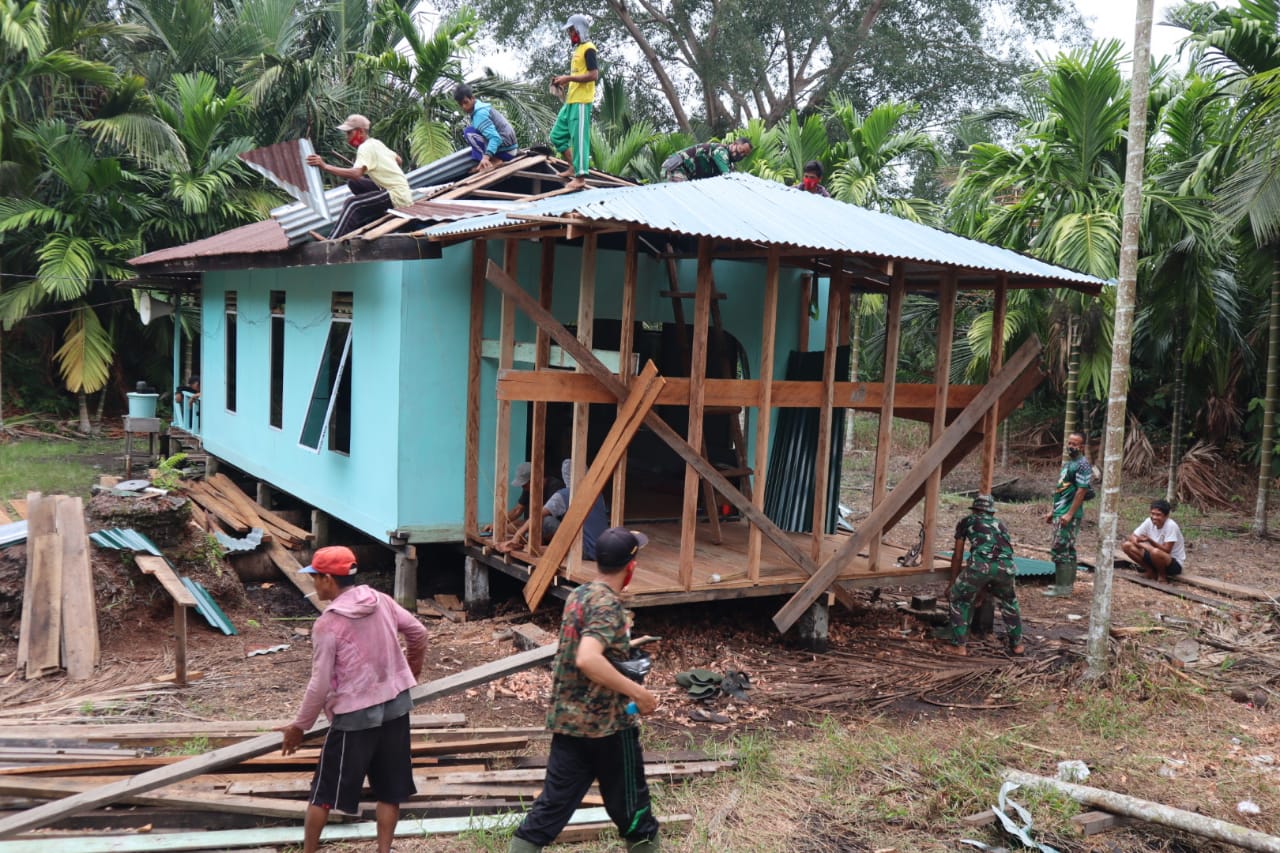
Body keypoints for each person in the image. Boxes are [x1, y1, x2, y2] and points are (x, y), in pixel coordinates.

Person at [507, 527, 660, 853]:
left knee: (550, 810)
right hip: (608, 727)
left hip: (569, 722)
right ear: (630, 566)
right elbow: (588, 658)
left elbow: (586, 647)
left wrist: (624, 647)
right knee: (635, 816)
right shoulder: (608, 607)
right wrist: (639, 693)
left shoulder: (580, 594)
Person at [277, 546, 427, 853]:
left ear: (329, 580)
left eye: (316, 578)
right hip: (395, 707)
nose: (314, 585)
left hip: (355, 718)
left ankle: (308, 851)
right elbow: (419, 633)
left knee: (324, 792)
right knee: (389, 790)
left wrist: (299, 726)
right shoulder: (381, 601)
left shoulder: (328, 624)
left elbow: (318, 685)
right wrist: (408, 673)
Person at [306, 115, 414, 238]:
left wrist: (324, 166)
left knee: (353, 204)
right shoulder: (376, 143)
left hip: (397, 195)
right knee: (354, 183)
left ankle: (331, 241)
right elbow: (399, 160)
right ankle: (377, 211)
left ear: (361, 132)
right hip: (400, 191)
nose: (347, 138)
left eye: (349, 133)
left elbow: (356, 173)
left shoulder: (365, 148)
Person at [944, 495, 1024, 656]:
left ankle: (959, 645)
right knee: (1009, 603)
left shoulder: (967, 521)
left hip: (980, 567)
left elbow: (958, 555)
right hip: (1006, 568)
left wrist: (953, 583)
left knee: (958, 599)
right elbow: (996, 561)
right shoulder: (1001, 525)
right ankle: (1017, 645)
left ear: (974, 509)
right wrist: (981, 590)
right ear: (991, 512)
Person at [498, 458, 607, 559]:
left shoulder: (565, 494)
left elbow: (537, 516)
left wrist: (517, 536)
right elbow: (519, 509)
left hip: (582, 551)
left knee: (545, 521)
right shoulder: (597, 494)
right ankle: (528, 544)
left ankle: (527, 546)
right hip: (601, 551)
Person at [549, 14, 598, 191]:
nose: (570, 34)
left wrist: (568, 77)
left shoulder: (589, 49)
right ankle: (572, 167)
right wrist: (563, 81)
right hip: (571, 101)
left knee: (579, 139)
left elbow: (593, 75)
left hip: (582, 102)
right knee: (557, 135)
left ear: (579, 30)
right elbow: (579, 75)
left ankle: (580, 178)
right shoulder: (577, 50)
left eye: (571, 30)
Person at [1042, 431, 1093, 597]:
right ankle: (1065, 587)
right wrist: (1053, 511)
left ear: (1082, 447)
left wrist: (1069, 514)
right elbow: (1063, 491)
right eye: (1069, 443)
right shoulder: (1068, 465)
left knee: (1060, 548)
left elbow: (1081, 491)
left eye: (1075, 444)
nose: (1071, 447)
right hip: (1061, 511)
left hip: (1068, 514)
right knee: (1067, 549)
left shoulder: (1082, 464)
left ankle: (1063, 588)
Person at [484, 461, 565, 537]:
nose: (523, 488)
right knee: (512, 525)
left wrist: (521, 530)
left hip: (555, 526)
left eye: (525, 485)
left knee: (546, 521)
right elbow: (518, 510)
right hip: (537, 521)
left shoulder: (556, 487)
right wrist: (498, 524)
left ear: (534, 479)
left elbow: (542, 516)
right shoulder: (529, 487)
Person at [453, 84, 518, 172]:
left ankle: (494, 161)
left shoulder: (480, 114)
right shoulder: (481, 108)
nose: (464, 107)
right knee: (473, 130)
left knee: (469, 132)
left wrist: (486, 157)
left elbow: (495, 138)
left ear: (472, 98)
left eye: (465, 102)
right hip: (510, 148)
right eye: (461, 104)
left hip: (506, 151)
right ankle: (489, 160)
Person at [1121, 499, 1186, 583]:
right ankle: (1150, 571)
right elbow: (1132, 536)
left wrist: (1150, 541)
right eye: (1153, 514)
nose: (1154, 517)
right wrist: (1144, 545)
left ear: (1166, 516)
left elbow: (1167, 550)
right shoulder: (1149, 521)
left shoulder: (1171, 526)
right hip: (1153, 557)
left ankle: (1162, 576)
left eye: (1158, 515)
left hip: (1172, 563)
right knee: (1127, 545)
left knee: (1155, 552)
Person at [661, 138, 753, 182]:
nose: (741, 155)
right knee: (681, 194)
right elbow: (728, 176)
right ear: (734, 144)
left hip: (687, 173)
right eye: (741, 150)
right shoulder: (721, 151)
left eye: (744, 154)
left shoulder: (730, 164)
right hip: (676, 166)